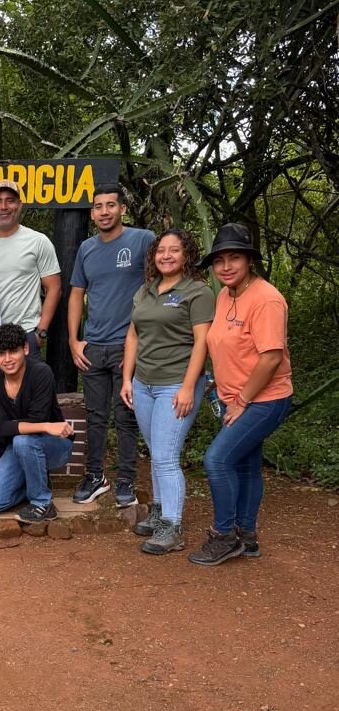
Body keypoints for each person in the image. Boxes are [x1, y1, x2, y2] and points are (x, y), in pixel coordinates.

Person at [188, 224, 293, 567]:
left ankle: (223, 536)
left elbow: (271, 357)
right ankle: (246, 535)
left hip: (264, 399)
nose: (226, 267)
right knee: (246, 466)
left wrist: (242, 400)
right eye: (219, 261)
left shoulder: (266, 299)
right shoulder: (225, 295)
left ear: (249, 260)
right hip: (233, 396)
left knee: (218, 460)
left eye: (234, 258)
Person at [120, 229, 214, 555]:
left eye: (174, 250)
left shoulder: (198, 292)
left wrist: (188, 387)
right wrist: (127, 379)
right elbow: (133, 336)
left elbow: (202, 342)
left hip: (176, 384)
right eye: (161, 250)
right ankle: (159, 512)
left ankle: (172, 528)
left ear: (186, 255)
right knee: (155, 451)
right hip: (143, 383)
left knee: (166, 456)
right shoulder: (146, 290)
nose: (166, 256)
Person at [69, 184, 155, 509]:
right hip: (93, 346)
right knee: (95, 415)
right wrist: (74, 340)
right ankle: (95, 476)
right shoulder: (87, 248)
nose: (104, 211)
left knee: (125, 415)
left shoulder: (143, 240)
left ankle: (126, 480)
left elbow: (157, 286)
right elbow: (77, 293)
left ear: (122, 209)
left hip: (127, 346)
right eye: (98, 206)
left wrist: (144, 336)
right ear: (92, 213)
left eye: (110, 205)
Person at [0, 324, 75, 523]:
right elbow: (2, 427)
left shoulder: (41, 373)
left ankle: (42, 503)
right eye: (0, 353)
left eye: (13, 351)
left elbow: (34, 419)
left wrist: (3, 424)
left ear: (25, 348)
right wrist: (46, 426)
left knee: (23, 440)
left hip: (55, 445)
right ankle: (36, 483)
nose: (7, 359)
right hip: (19, 448)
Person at [0, 179, 60, 361]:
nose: (3, 207)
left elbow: (54, 288)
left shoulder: (38, 241)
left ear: (20, 205)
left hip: (25, 335)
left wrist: (40, 332)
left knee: (32, 381)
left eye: (10, 200)